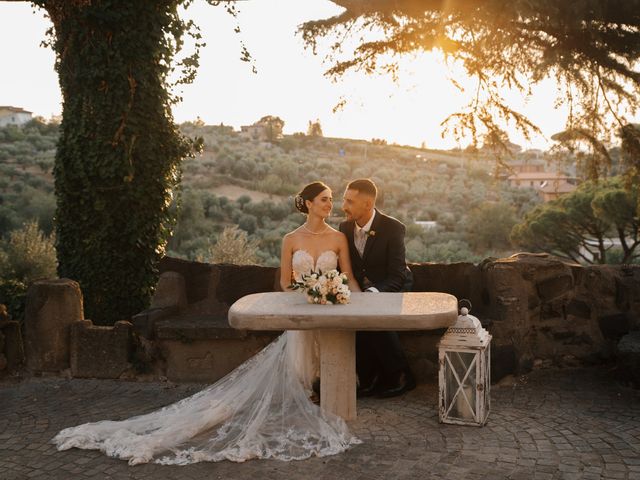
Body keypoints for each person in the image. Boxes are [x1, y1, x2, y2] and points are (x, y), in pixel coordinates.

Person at [52, 181, 361, 466]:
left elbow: (348, 277)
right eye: (324, 199)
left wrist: (343, 295)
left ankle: (327, 407)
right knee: (299, 367)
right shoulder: (291, 239)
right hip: (302, 312)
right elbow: (284, 282)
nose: (329, 204)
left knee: (331, 359)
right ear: (307, 203)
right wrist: (311, 292)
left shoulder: (338, 238)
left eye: (332, 200)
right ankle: (302, 409)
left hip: (331, 312)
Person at [339, 178, 416, 398]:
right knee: (357, 317)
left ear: (368, 204)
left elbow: (398, 274)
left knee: (376, 315)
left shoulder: (393, 228)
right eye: (344, 199)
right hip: (360, 288)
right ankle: (370, 377)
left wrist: (372, 294)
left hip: (394, 285)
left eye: (350, 201)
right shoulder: (344, 227)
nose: (344, 206)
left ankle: (402, 375)